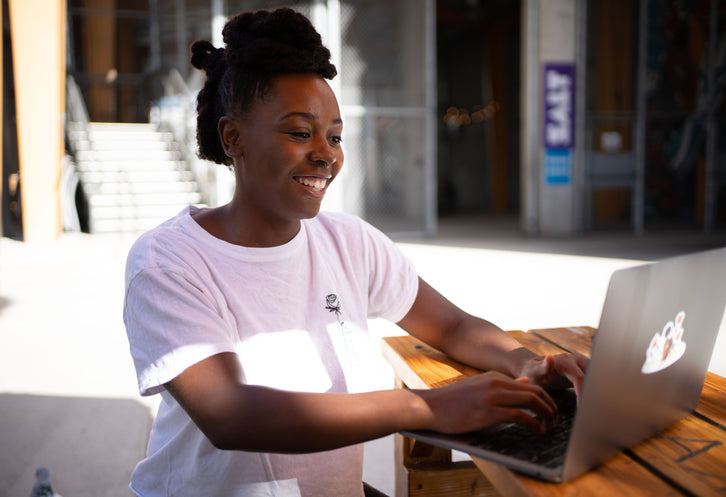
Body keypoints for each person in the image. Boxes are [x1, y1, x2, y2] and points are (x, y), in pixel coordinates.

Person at [122, 7, 587, 497]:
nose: (326, 152)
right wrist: (427, 407)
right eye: (300, 132)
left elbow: (453, 326)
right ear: (232, 136)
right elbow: (231, 414)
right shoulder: (169, 261)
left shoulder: (349, 242)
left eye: (335, 136)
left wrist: (523, 362)